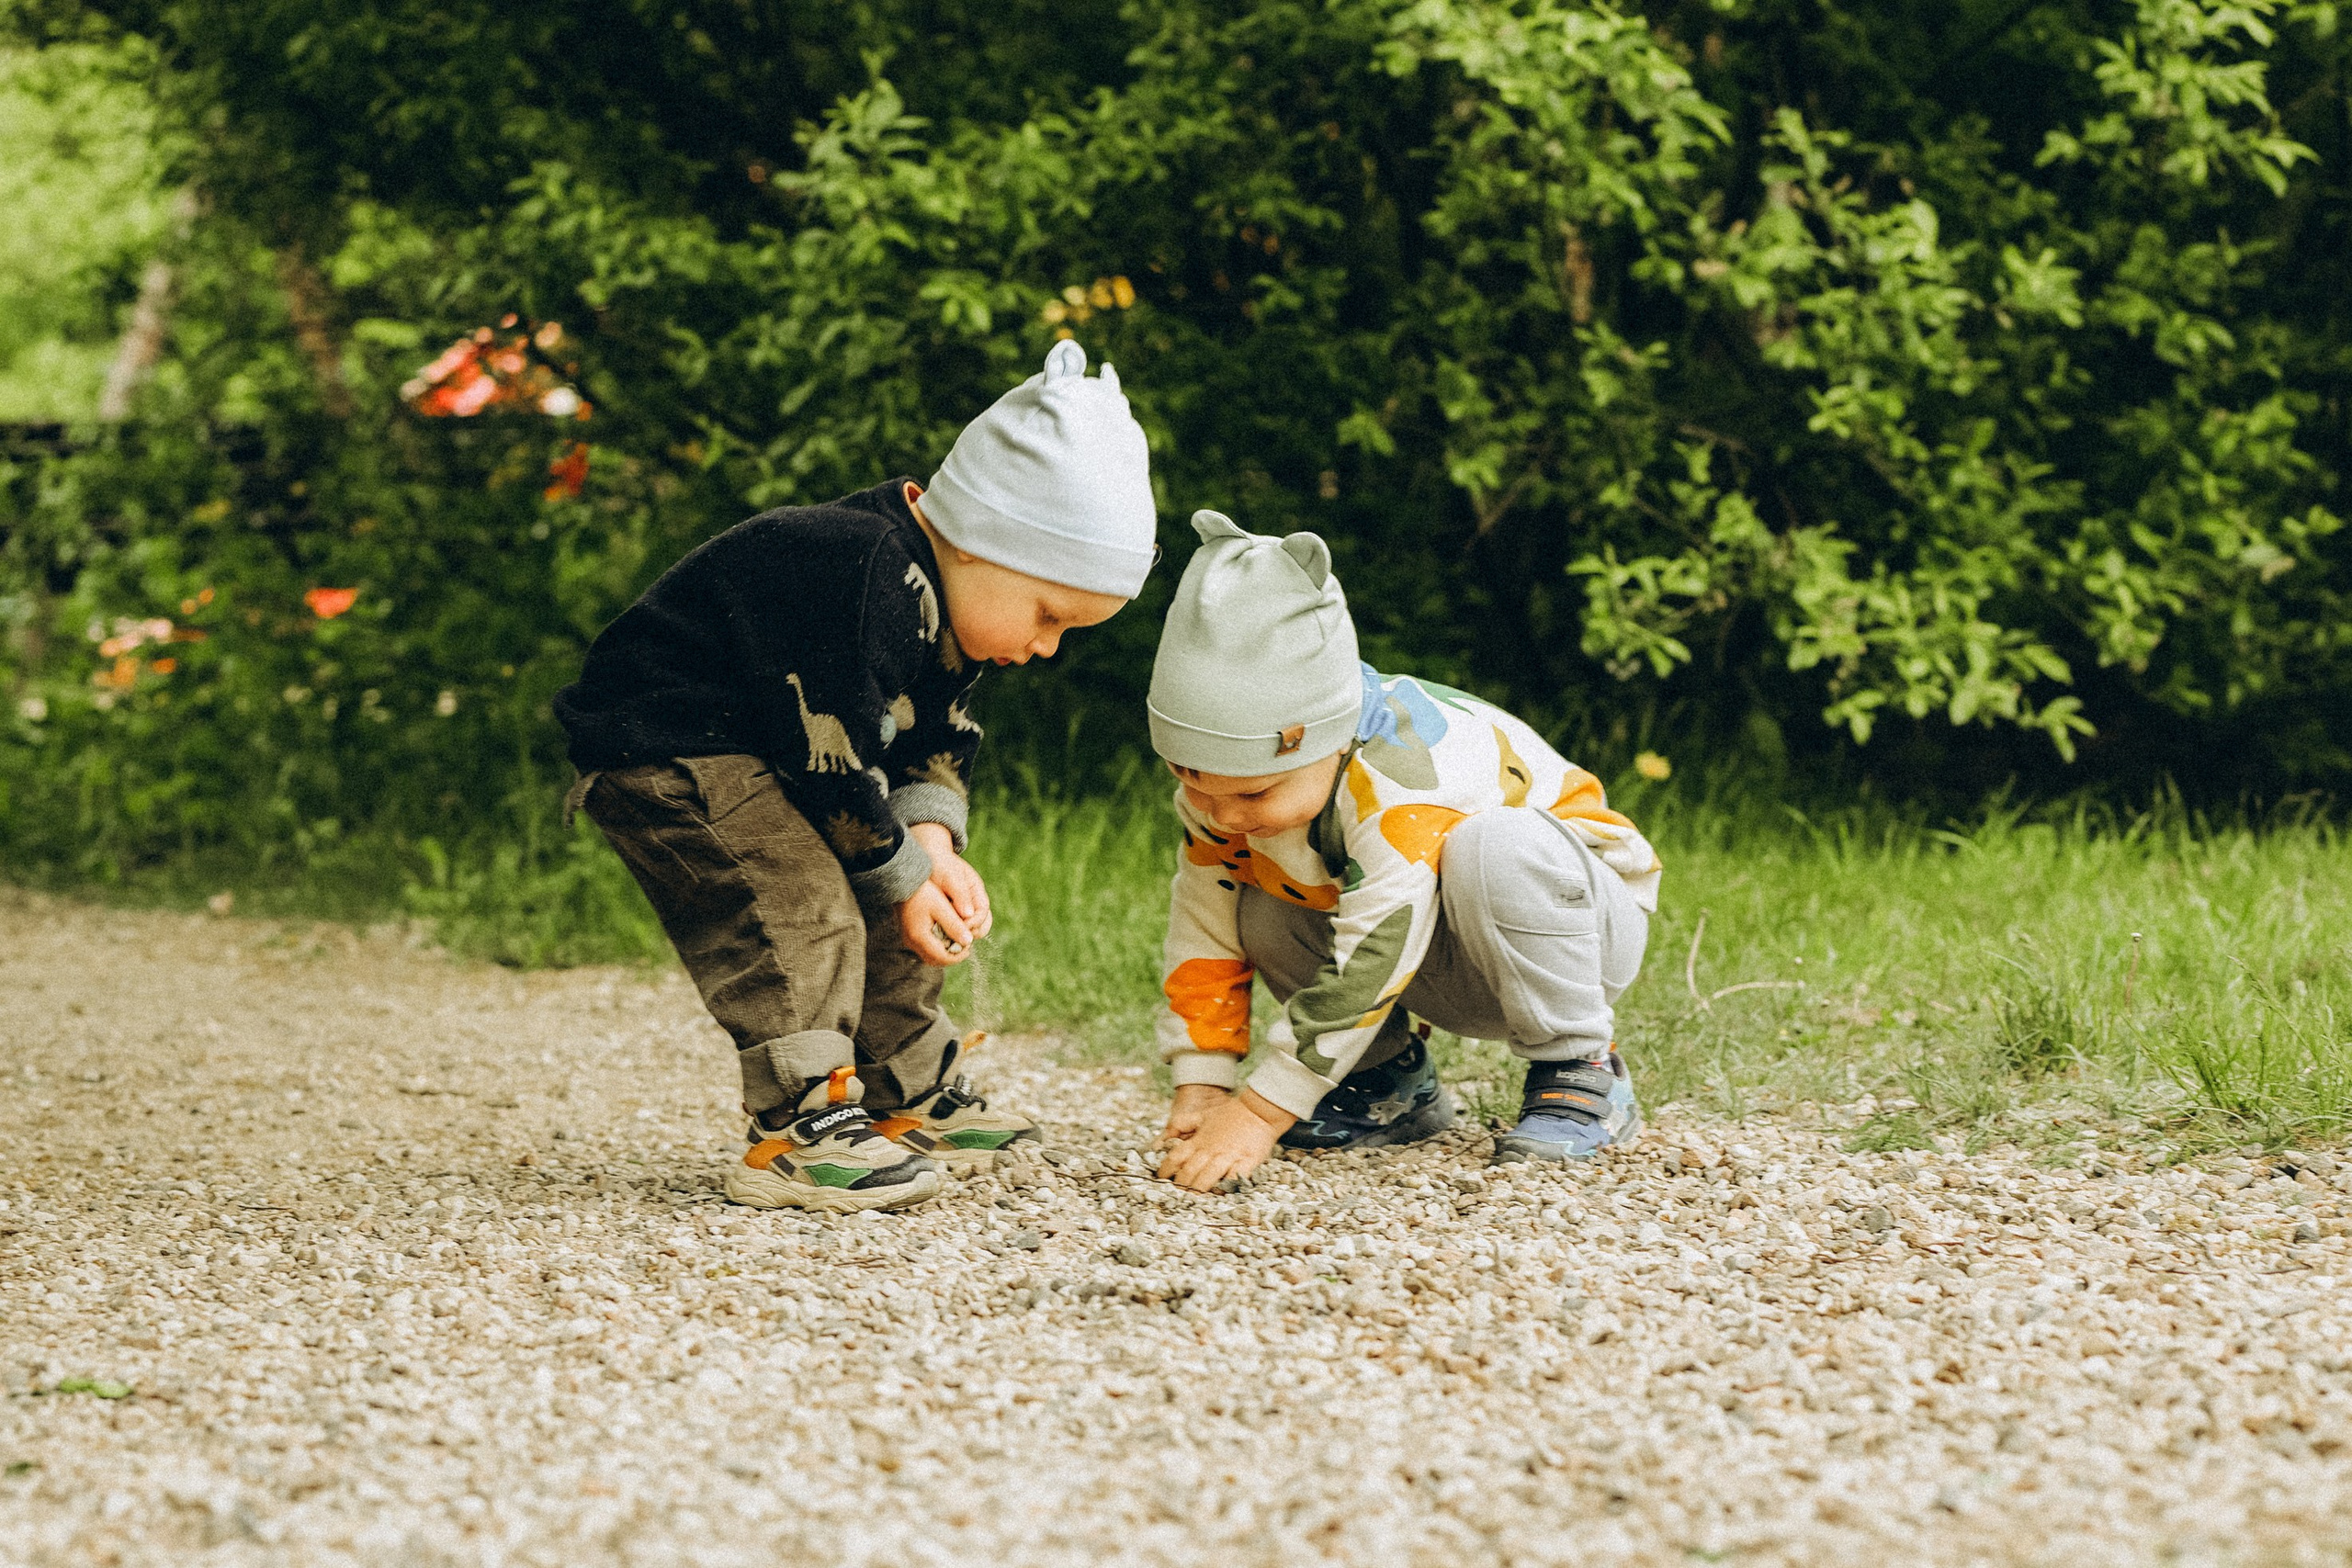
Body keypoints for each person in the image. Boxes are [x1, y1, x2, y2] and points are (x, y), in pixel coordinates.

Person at [556, 342, 1153, 1213]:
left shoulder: (950, 601)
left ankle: (906, 1093)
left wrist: (934, 846)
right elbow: (827, 762)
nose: (1046, 646)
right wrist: (902, 871)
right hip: (669, 741)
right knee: (801, 899)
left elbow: (935, 736)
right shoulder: (866, 573)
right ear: (987, 540)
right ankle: (797, 1124)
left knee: (891, 883)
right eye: (1049, 614)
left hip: (771, 747)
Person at [1146, 510, 1660, 1192]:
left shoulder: (1407, 775)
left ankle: (1582, 1068)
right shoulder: (1224, 797)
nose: (1221, 816)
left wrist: (1261, 1111)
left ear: (1327, 741)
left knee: (1492, 843)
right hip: (1440, 948)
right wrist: (1203, 1082)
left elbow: (1376, 947)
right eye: (1190, 779)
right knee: (1258, 908)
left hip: (1574, 933)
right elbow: (1203, 928)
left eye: (1254, 794)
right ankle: (1385, 1085)